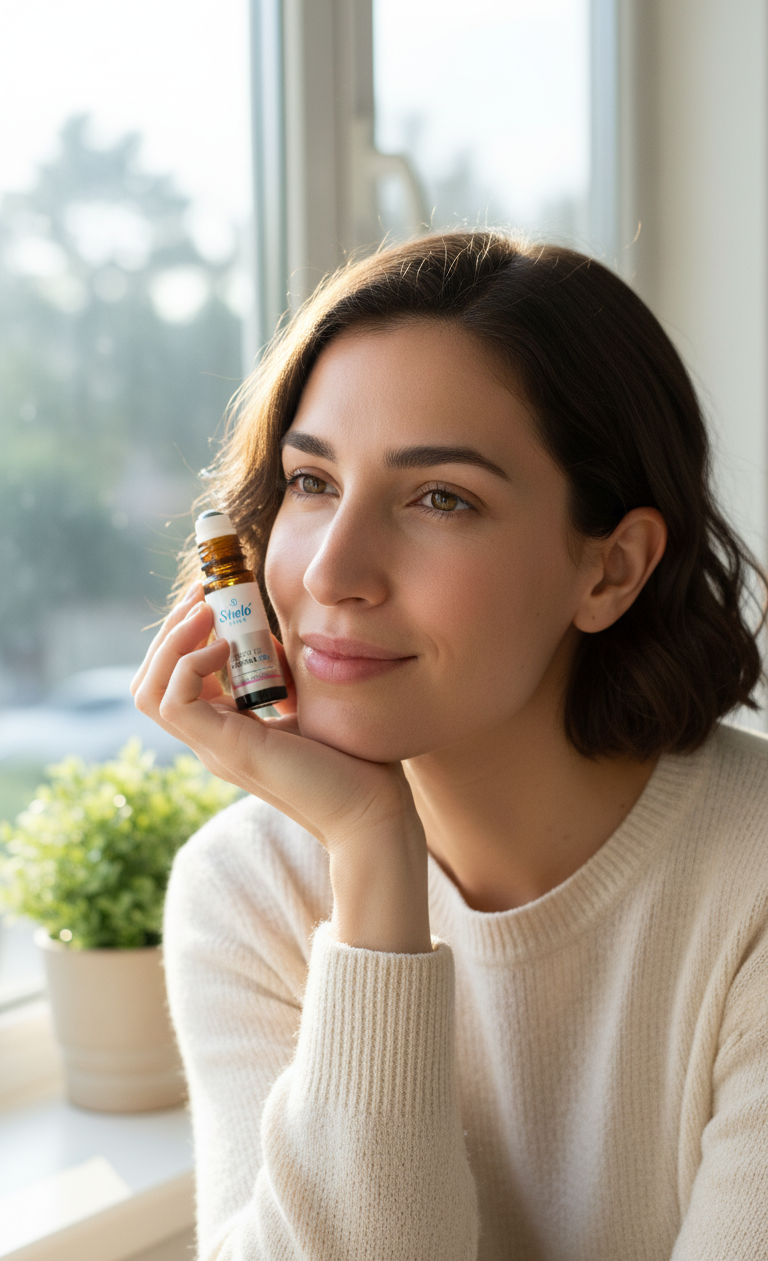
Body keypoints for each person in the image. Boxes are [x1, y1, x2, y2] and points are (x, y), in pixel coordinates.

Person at [132, 231, 768, 1261]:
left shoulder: (751, 890)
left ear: (611, 570)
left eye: (441, 498)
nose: (335, 570)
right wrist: (374, 864)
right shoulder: (248, 891)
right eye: (310, 482)